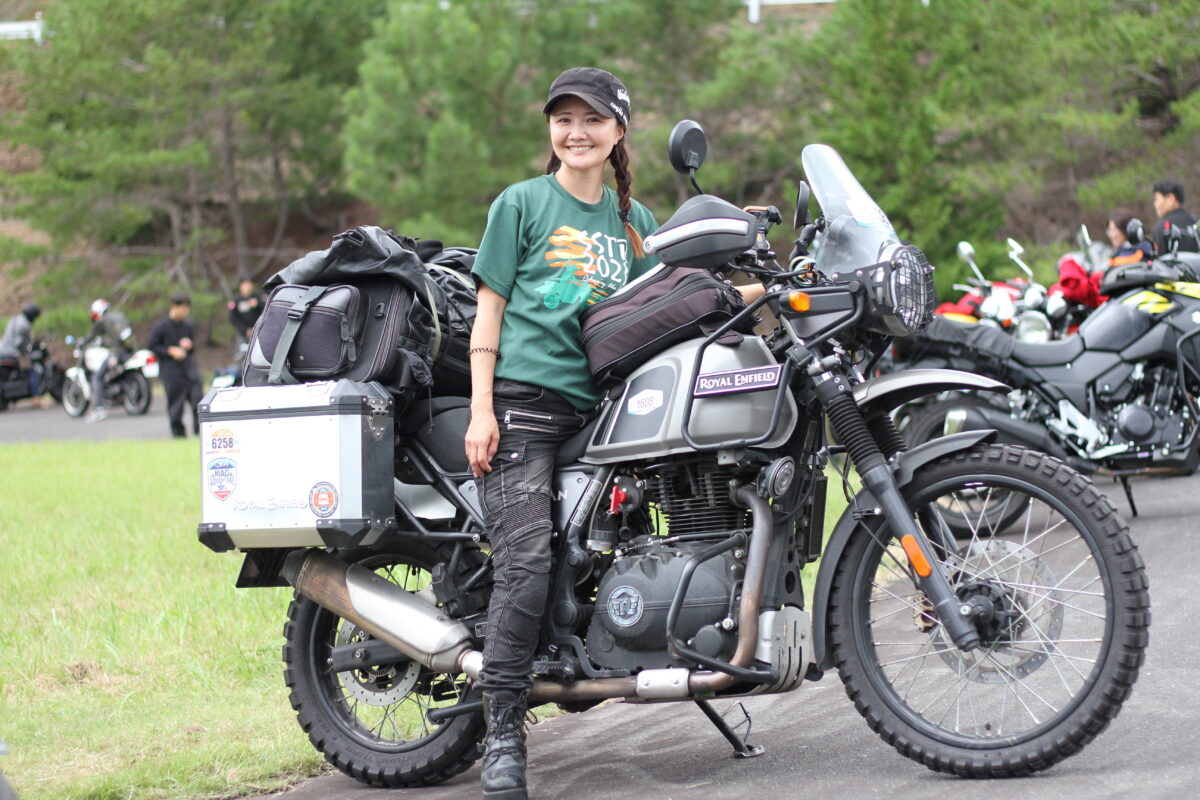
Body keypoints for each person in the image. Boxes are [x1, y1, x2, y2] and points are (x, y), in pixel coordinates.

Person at [464, 67, 761, 800]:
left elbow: (672, 302)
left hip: (606, 407)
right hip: (526, 404)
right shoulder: (521, 203)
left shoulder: (636, 219)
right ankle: (503, 732)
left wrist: (762, 284)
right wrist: (482, 408)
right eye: (563, 119)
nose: (576, 132)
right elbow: (489, 309)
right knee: (527, 561)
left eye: (592, 119)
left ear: (618, 131)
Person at [147, 293, 203, 438]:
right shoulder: (161, 327)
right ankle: (179, 435)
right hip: (171, 370)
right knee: (176, 405)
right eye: (182, 308)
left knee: (198, 399)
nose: (184, 311)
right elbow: (152, 346)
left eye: (186, 308)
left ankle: (200, 433)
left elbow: (192, 350)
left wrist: (189, 346)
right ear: (173, 307)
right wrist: (170, 351)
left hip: (188, 368)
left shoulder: (187, 326)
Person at [84, 298, 135, 422]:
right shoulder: (120, 316)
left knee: (97, 377)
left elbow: (91, 336)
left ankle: (98, 408)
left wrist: (82, 342)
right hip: (130, 352)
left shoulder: (103, 320)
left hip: (116, 353)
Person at [0, 303, 45, 406]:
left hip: (2, 352)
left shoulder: (14, 319)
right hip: (11, 354)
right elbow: (20, 343)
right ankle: (36, 397)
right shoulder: (25, 325)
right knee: (31, 370)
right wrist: (27, 351)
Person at [1151, 179, 1199, 254]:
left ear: (1170, 198)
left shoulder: (1162, 226)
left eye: (1157, 199)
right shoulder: (1195, 222)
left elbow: (1158, 258)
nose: (1155, 204)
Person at [227, 275, 264, 341]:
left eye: (249, 285)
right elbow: (232, 318)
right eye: (246, 285)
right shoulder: (235, 300)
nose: (248, 287)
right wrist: (245, 330)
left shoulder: (257, 297)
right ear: (241, 286)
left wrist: (258, 304)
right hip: (244, 334)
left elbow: (266, 308)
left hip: (259, 331)